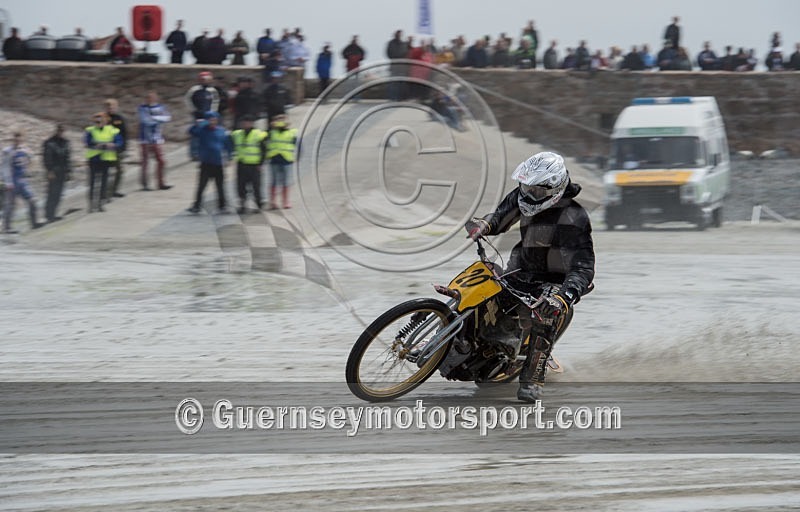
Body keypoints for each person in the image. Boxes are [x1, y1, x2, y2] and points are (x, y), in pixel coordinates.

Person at [465, 152, 595, 403]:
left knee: (546, 316)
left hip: (553, 284)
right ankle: (444, 337)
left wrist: (564, 296)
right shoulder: (523, 196)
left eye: (536, 190)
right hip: (520, 270)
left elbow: (584, 266)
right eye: (526, 187)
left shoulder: (574, 217)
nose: (529, 194)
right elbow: (500, 217)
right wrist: (484, 225)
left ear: (554, 188)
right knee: (479, 282)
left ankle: (533, 380)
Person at [187, 111, 232, 214]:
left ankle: (222, 206)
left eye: (214, 119)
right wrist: (197, 124)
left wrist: (229, 157)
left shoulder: (221, 131)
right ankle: (196, 206)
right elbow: (191, 132)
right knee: (201, 186)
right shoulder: (202, 131)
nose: (212, 121)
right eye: (210, 119)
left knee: (220, 186)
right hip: (206, 163)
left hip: (218, 163)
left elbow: (227, 144)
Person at [2, 132, 43, 233]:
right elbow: (4, 167)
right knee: (10, 205)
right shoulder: (7, 151)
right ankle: (6, 227)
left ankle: (34, 222)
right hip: (12, 182)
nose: (17, 142)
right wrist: (7, 182)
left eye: (19, 140)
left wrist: (29, 158)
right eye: (16, 140)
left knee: (32, 200)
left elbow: (30, 160)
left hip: (22, 181)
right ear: (13, 140)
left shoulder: (23, 150)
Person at [84, 112, 122, 213]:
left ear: (105, 120)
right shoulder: (90, 130)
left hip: (106, 159)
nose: (98, 121)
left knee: (104, 183)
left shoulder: (112, 130)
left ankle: (101, 203)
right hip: (94, 159)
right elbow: (87, 141)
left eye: (100, 119)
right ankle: (92, 205)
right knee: (92, 183)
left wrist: (111, 145)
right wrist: (96, 145)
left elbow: (119, 142)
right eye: (96, 120)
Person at [231, 115, 267, 213]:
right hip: (242, 164)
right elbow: (230, 144)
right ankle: (242, 205)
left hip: (254, 165)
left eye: (247, 122)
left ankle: (258, 205)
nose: (245, 124)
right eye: (243, 122)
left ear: (252, 123)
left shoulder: (259, 134)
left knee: (256, 186)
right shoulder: (237, 134)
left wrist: (261, 163)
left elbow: (264, 150)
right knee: (241, 186)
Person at [137, 91, 172, 191]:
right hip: (145, 139)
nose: (149, 99)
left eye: (151, 97)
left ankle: (161, 183)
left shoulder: (161, 107)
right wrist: (158, 119)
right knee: (145, 162)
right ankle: (145, 184)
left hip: (157, 138)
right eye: (148, 98)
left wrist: (154, 118)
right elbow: (146, 121)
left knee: (161, 161)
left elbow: (167, 117)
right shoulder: (142, 108)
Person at [265, 114, 298, 209]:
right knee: (273, 182)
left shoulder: (291, 133)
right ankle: (273, 201)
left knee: (286, 182)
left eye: (282, 120)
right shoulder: (271, 132)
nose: (280, 122)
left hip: (287, 160)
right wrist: (271, 127)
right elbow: (263, 139)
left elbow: (298, 145)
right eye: (278, 120)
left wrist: (297, 157)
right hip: (274, 160)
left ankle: (286, 201)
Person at [186, 71, 220, 159]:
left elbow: (215, 102)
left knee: (209, 134)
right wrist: (193, 110)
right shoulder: (194, 90)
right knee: (196, 134)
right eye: (203, 79)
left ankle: (206, 151)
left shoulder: (212, 91)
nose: (205, 81)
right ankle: (194, 153)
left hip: (208, 116)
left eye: (207, 79)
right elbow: (187, 100)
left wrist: (213, 113)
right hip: (197, 115)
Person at [43, 124, 71, 223]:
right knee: (52, 193)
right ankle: (48, 215)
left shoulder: (66, 142)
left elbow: (68, 158)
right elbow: (47, 158)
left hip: (62, 171)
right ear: (56, 131)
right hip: (53, 171)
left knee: (59, 194)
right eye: (59, 131)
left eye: (63, 131)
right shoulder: (49, 143)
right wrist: (49, 171)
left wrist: (68, 171)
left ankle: (54, 214)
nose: (61, 133)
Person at [104, 98, 128, 200]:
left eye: (113, 106)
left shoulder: (119, 118)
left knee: (119, 170)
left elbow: (124, 133)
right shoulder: (103, 118)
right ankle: (105, 193)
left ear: (116, 107)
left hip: (117, 149)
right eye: (109, 106)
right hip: (106, 149)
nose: (111, 108)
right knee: (107, 171)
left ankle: (114, 190)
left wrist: (124, 147)